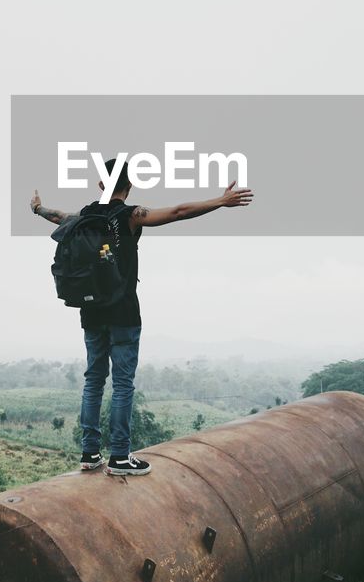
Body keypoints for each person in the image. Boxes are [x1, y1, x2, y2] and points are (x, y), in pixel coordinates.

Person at [30, 158, 253, 477]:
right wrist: (221, 201)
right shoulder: (131, 215)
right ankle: (120, 456)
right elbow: (178, 212)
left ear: (101, 185)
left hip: (91, 311)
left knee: (93, 380)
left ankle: (90, 453)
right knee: (122, 384)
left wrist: (37, 209)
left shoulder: (83, 216)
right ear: (130, 185)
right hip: (123, 312)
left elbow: (57, 216)